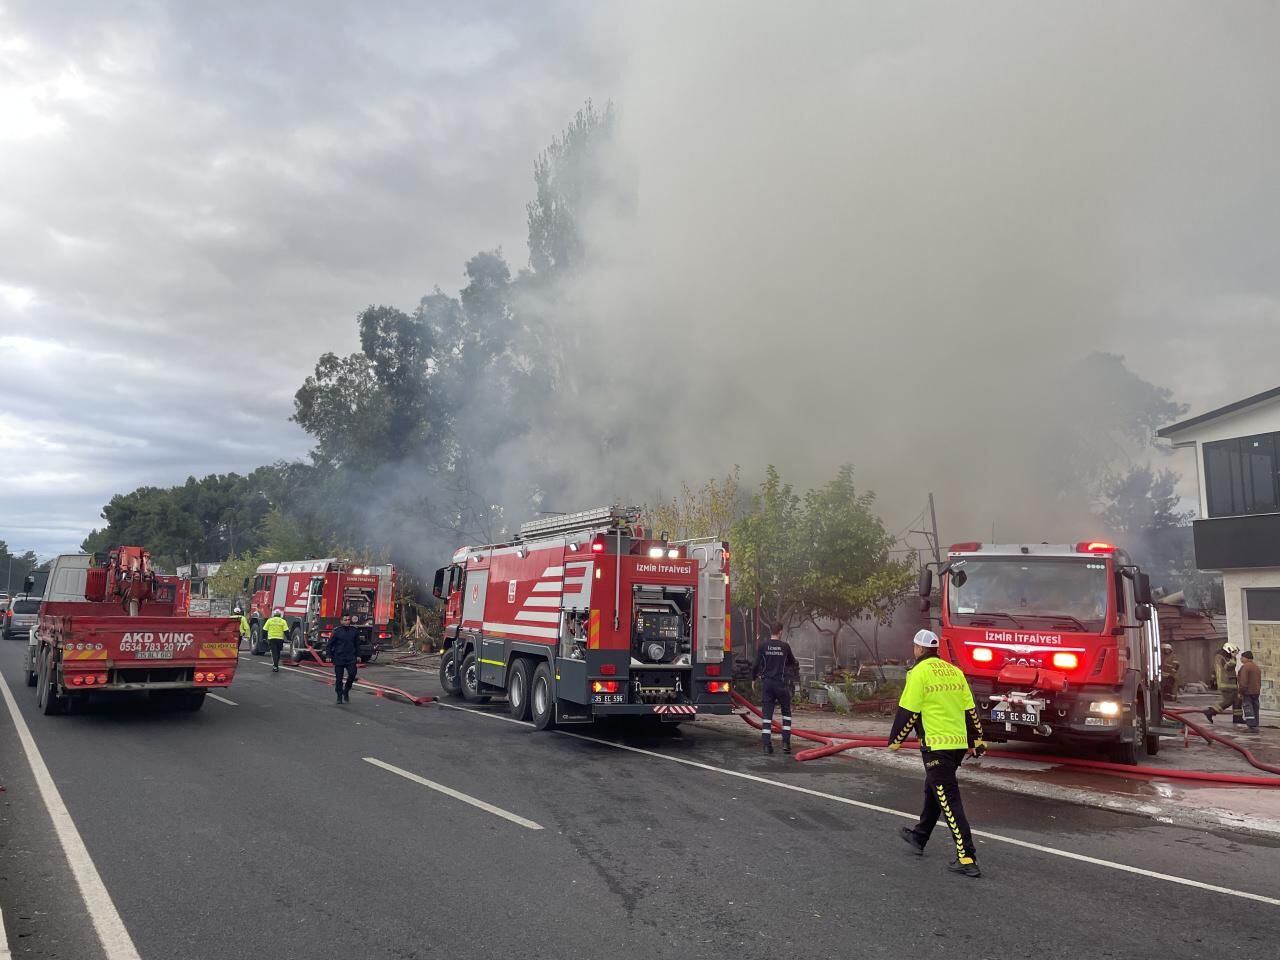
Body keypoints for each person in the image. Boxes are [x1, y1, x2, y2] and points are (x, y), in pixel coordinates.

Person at [889, 628, 986, 878]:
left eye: (915, 647)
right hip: (956, 746)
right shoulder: (955, 672)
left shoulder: (919, 672)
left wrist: (895, 741)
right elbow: (970, 710)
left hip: (936, 746)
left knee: (949, 800)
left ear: (919, 649)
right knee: (934, 790)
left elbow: (908, 710)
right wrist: (977, 739)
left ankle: (967, 857)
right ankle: (919, 837)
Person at [752, 624, 798, 754]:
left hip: (767, 684)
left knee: (767, 715)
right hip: (781, 684)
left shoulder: (763, 646)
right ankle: (786, 744)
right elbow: (792, 662)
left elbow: (756, 665)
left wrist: (753, 679)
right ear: (780, 632)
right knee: (786, 713)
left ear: (770, 631)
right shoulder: (785, 647)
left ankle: (767, 745)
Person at [1203, 642, 1244, 724]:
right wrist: (1233, 657)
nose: (1235, 654)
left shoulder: (1225, 657)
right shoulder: (1220, 657)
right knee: (1228, 701)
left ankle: (1238, 718)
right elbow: (1228, 667)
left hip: (1232, 683)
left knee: (1237, 700)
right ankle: (1211, 711)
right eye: (1233, 652)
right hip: (1226, 683)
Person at [328, 614, 360, 704]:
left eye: (348, 620)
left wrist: (358, 655)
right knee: (339, 678)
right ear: (341, 621)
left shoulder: (354, 631)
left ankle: (346, 689)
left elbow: (357, 644)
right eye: (345, 620)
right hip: (339, 657)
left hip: (350, 657)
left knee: (352, 674)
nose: (347, 621)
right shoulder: (336, 631)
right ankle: (339, 695)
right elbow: (329, 645)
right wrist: (328, 656)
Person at [1238, 650, 1262, 733]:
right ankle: (1255, 724)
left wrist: (1241, 691)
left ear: (1247, 658)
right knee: (1255, 708)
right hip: (1256, 691)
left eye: (1242, 657)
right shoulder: (1256, 667)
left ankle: (1251, 726)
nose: (1241, 659)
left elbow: (1243, 681)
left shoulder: (1245, 667)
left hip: (1247, 692)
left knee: (1248, 708)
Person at [263, 608, 290, 672]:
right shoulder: (283, 621)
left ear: (274, 614)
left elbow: (264, 630)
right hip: (280, 639)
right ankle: (276, 665)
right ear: (280, 615)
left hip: (272, 639)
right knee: (278, 652)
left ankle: (275, 666)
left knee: (274, 653)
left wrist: (264, 638)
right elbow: (286, 631)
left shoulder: (269, 620)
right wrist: (289, 638)